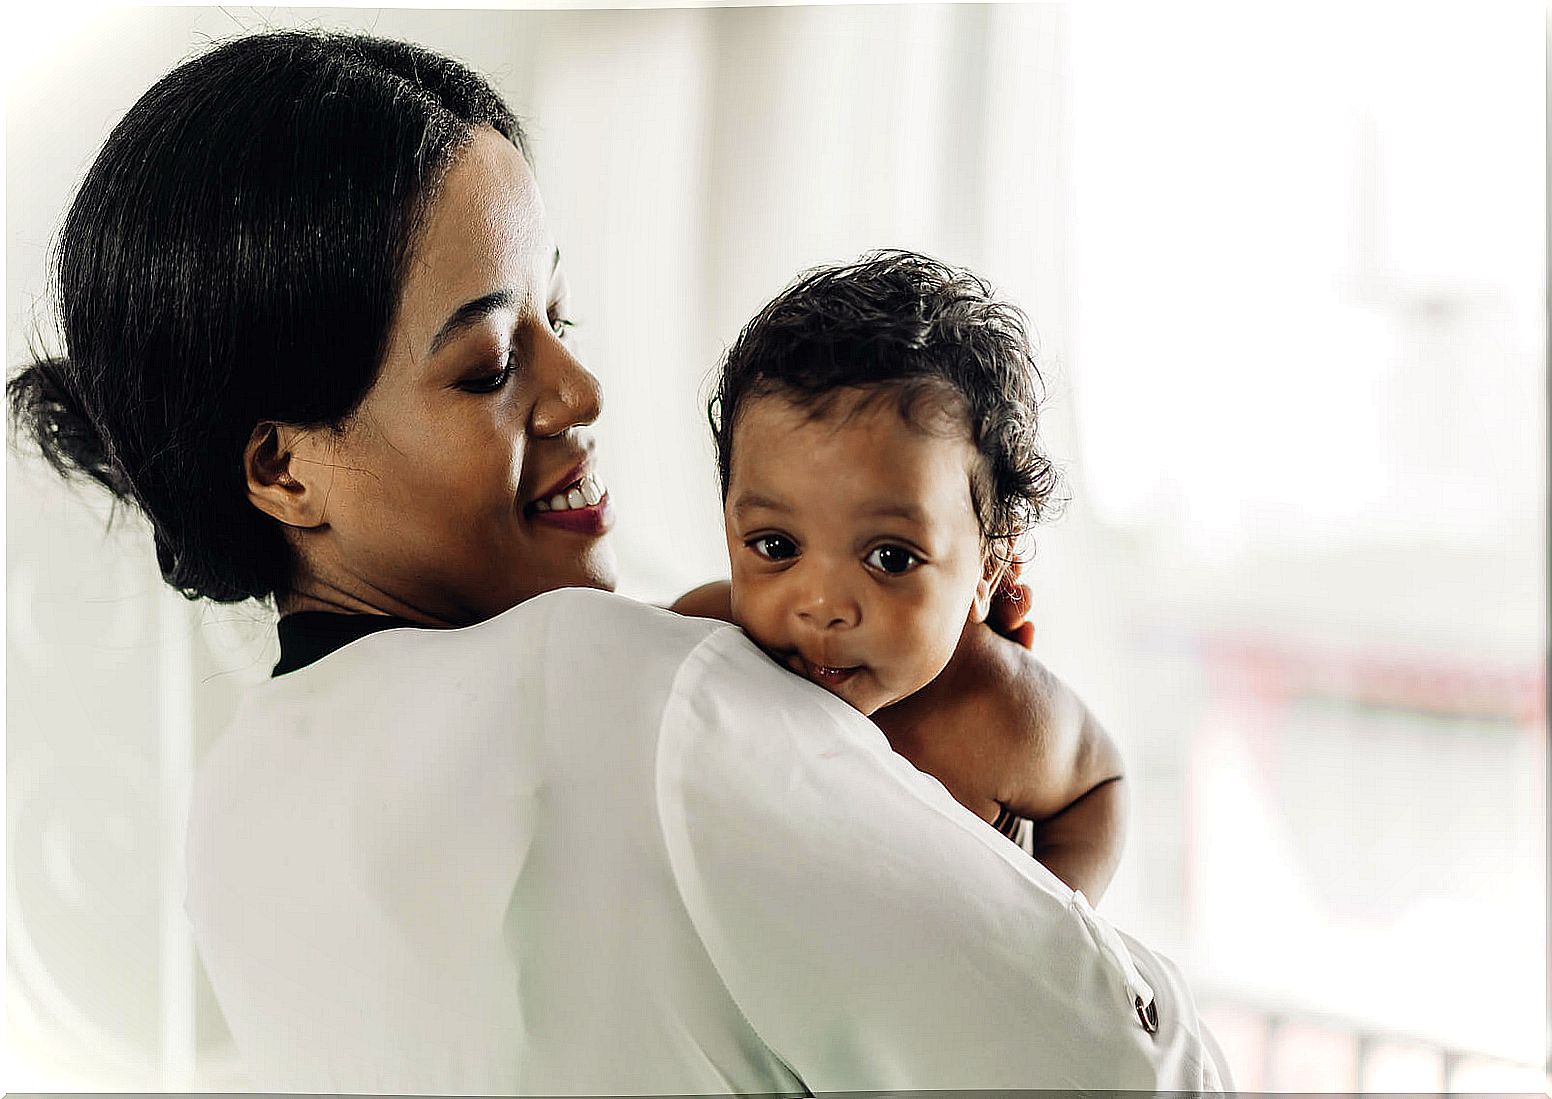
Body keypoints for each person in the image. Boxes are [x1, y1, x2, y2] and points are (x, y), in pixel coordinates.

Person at [8, 29, 1230, 1095]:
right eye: (491, 364)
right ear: (283, 470)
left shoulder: (233, 820)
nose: (581, 390)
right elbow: (1140, 1075)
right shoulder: (635, 691)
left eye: (562, 318)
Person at [673, 250, 1126, 902]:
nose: (823, 604)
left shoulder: (998, 711)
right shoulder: (708, 641)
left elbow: (1098, 785)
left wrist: (1060, 929)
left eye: (889, 557)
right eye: (776, 545)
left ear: (987, 564)